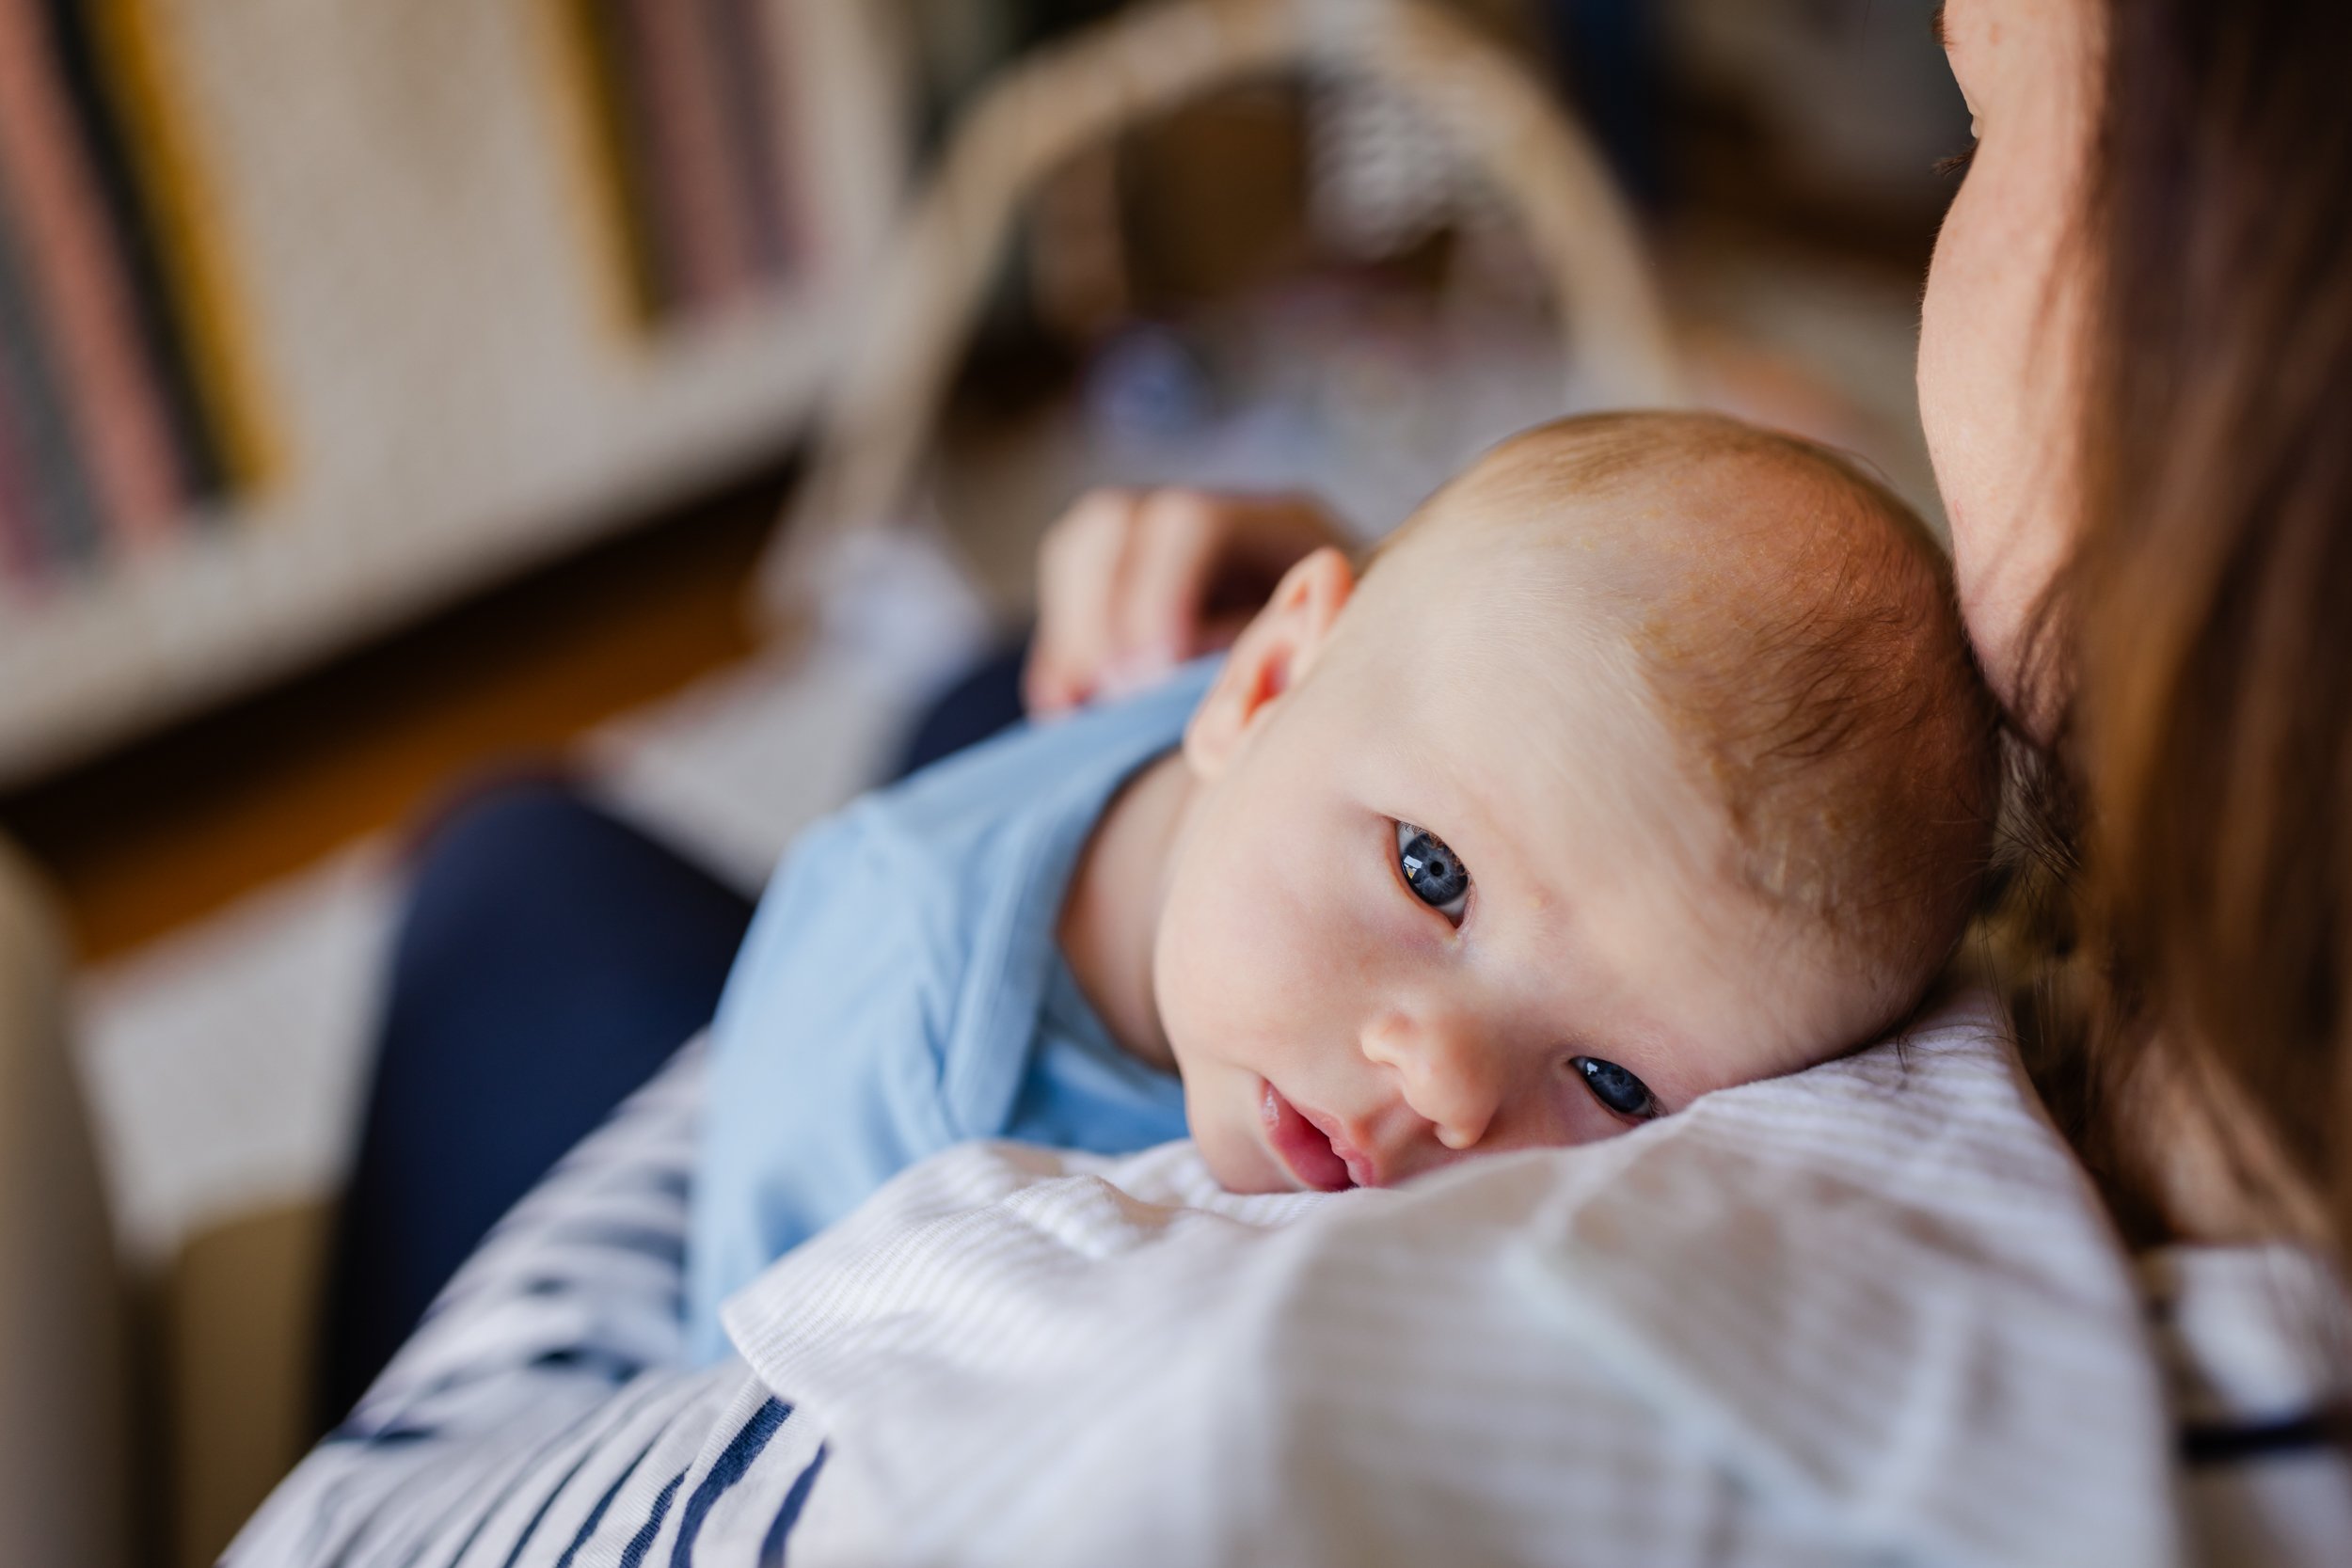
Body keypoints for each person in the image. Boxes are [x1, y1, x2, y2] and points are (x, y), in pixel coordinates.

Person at [232, 0, 2352, 1560]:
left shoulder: (1125, 1384)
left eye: (1978, 126)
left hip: (684, 1214)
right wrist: (1351, 700)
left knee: (519, 861)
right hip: (1148, 785)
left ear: (2216, 338)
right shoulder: (2125, 1017)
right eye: (1429, 865)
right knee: (999, 673)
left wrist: (1295, 775)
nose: (1436, 1074)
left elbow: (600, 1412)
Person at [684, 412, 1995, 1357]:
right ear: (1264, 680)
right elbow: (725, 1394)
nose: (1443, 1085)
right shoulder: (890, 1040)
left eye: (1614, 1084)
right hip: (925, 856)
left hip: (1121, 746)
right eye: (1433, 876)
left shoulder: (1400, 746)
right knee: (539, 856)